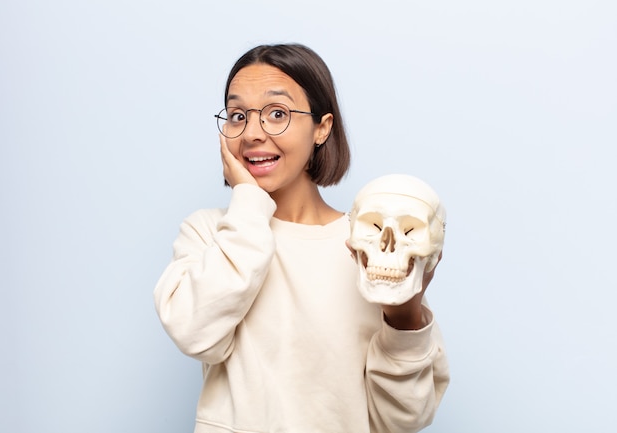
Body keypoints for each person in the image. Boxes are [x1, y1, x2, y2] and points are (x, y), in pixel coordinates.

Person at [154, 43, 449, 433]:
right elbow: (196, 335)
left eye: (277, 113)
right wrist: (248, 202)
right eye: (238, 115)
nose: (252, 133)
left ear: (321, 128)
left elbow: (403, 419)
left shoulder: (371, 245)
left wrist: (404, 317)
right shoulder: (211, 233)